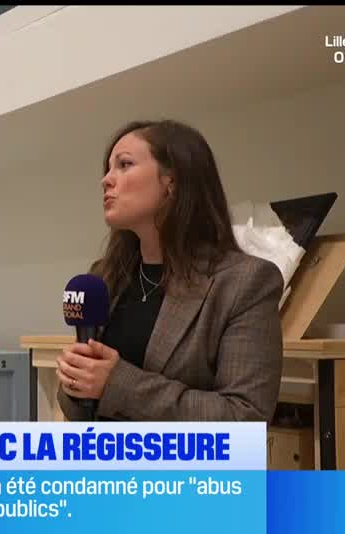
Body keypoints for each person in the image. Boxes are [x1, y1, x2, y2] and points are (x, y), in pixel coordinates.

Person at [56, 120, 283, 422]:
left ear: (171, 182)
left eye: (124, 164)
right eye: (108, 169)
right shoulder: (104, 276)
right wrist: (76, 382)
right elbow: (81, 409)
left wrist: (117, 384)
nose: (106, 180)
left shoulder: (245, 283)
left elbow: (246, 419)